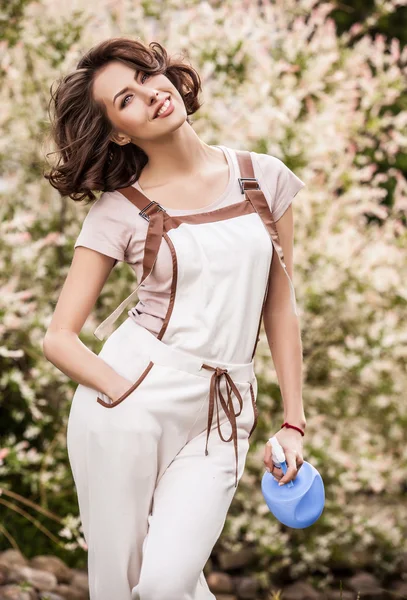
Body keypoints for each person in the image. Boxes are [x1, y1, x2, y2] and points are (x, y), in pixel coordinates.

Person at [43, 36, 307, 600]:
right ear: (118, 130)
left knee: (166, 583)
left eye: (146, 76)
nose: (150, 94)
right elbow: (59, 338)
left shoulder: (264, 177)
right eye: (126, 99)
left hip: (223, 409)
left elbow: (279, 307)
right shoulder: (122, 209)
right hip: (128, 402)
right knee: (121, 588)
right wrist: (125, 392)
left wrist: (293, 421)